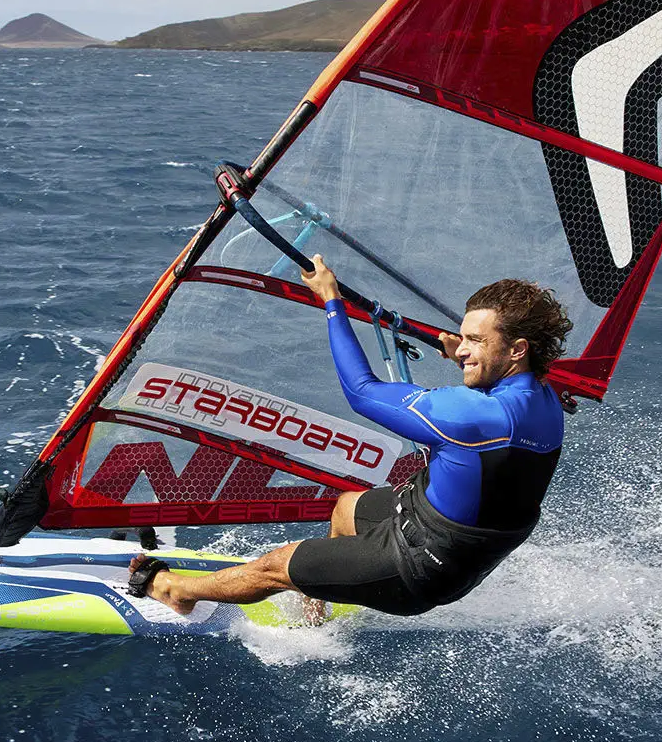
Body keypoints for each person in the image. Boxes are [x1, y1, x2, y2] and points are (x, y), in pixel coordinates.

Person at [126, 255, 571, 619]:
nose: (465, 346)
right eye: (465, 337)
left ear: (517, 350)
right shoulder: (546, 399)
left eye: (477, 340)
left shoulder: (474, 417)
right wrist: (469, 356)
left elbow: (362, 392)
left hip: (418, 567)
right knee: (346, 507)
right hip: (443, 531)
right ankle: (318, 599)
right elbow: (503, 409)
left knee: (272, 566)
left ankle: (178, 593)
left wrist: (331, 301)